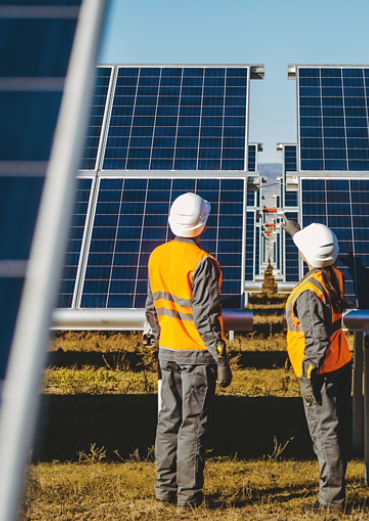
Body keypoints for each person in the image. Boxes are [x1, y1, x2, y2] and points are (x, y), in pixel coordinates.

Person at [144, 192, 232, 509]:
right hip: (195, 356)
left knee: (167, 422)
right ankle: (189, 498)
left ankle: (163, 492)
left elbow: (152, 306)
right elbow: (206, 319)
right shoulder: (202, 263)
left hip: (166, 350)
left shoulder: (157, 255)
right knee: (192, 428)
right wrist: (221, 359)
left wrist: (159, 335)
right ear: (202, 223)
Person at [283, 219, 353, 511]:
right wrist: (298, 234)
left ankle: (331, 502)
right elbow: (318, 255)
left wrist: (307, 377)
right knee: (334, 431)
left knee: (325, 436)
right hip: (338, 363)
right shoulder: (333, 275)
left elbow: (316, 339)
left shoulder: (308, 293)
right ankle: (332, 495)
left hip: (320, 373)